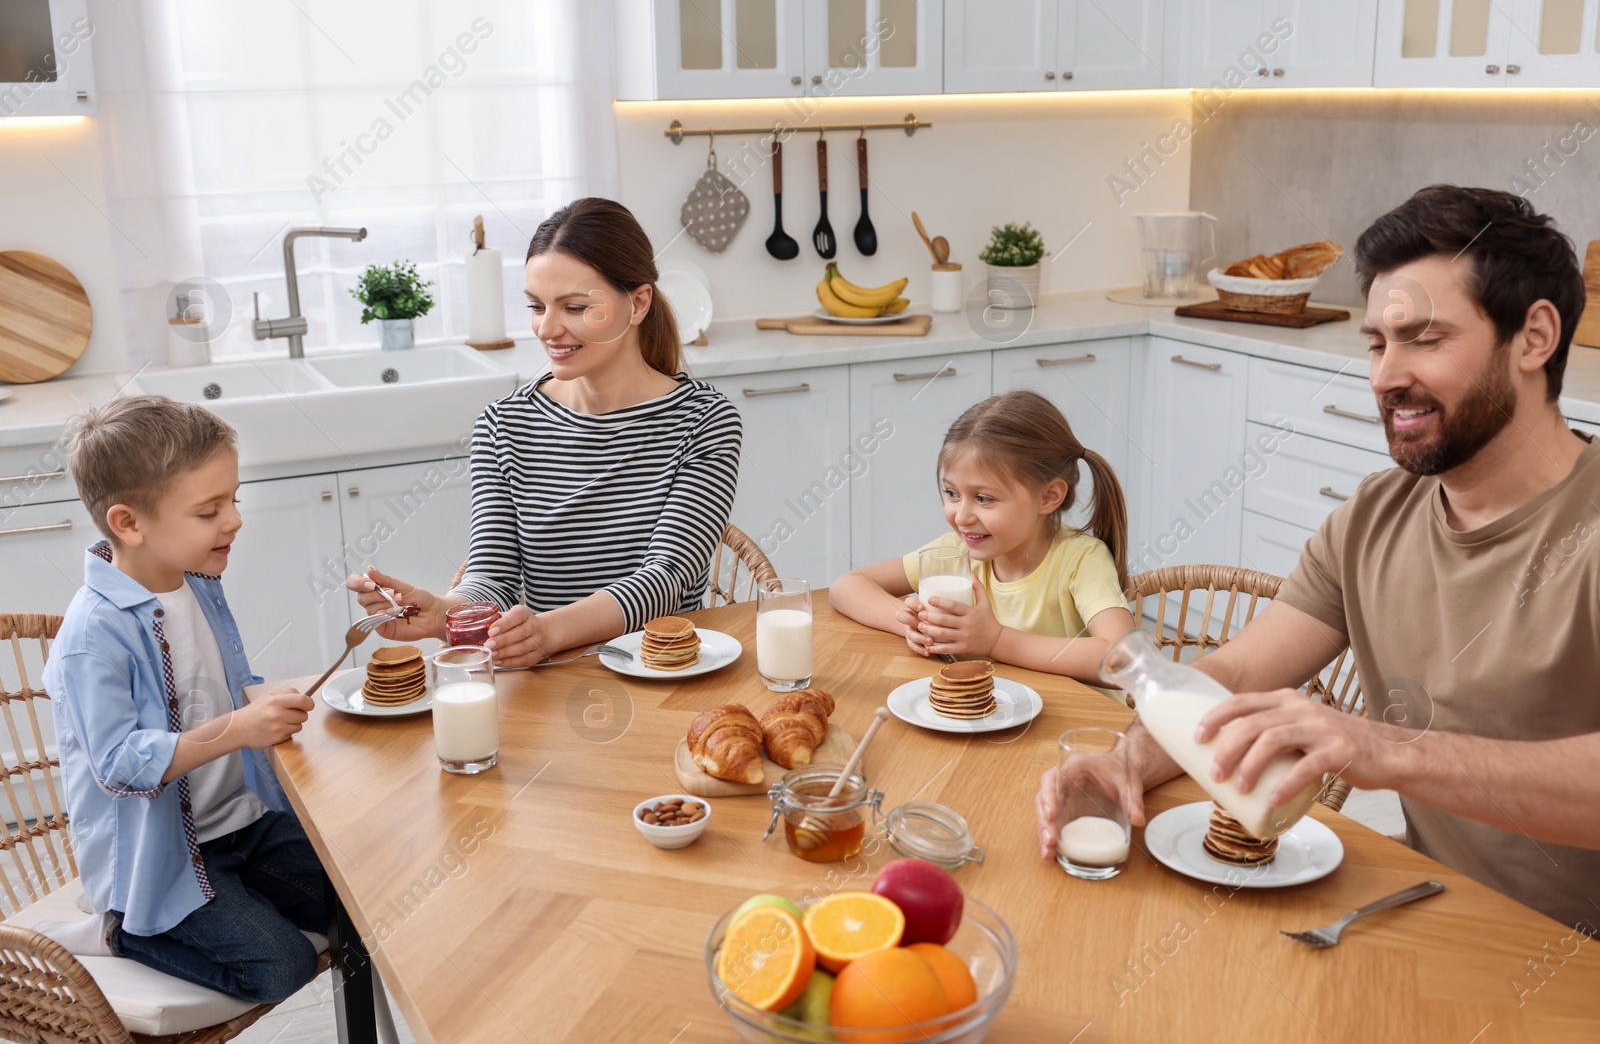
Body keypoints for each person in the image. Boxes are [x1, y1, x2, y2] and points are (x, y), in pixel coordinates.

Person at [1036, 184, 1600, 932]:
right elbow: (1235, 673)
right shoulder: (1375, 515)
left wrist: (1385, 749)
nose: (1385, 376)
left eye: (1425, 340)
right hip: (1433, 904)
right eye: (1376, 342)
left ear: (1534, 337)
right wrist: (1128, 761)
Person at [347, 198, 743, 665]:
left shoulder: (704, 420)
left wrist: (547, 632)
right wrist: (444, 615)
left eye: (574, 307)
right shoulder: (504, 424)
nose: (547, 328)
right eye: (536, 306)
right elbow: (493, 575)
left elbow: (667, 577)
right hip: (546, 685)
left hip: (661, 673)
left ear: (637, 303)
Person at [46, 396, 327, 1001]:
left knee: (365, 901)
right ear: (128, 523)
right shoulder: (93, 635)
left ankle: (243, 900)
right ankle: (122, 932)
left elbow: (219, 685)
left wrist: (277, 702)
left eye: (234, 500)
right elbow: (120, 766)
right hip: (166, 858)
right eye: (209, 510)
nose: (234, 521)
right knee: (283, 967)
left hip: (243, 822)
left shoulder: (199, 581)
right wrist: (239, 729)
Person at [831, 389, 1135, 692]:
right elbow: (847, 586)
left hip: (1073, 727)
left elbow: (1121, 658)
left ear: (1048, 497)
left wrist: (997, 640)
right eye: (951, 493)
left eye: (983, 498)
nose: (961, 516)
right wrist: (908, 623)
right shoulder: (954, 553)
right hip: (988, 716)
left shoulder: (1081, 559)